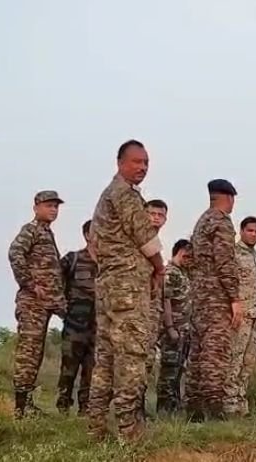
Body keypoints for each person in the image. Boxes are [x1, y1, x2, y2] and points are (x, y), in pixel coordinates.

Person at [88, 139, 164, 441]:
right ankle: (128, 431)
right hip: (128, 289)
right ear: (120, 163)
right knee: (131, 357)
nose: (143, 167)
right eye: (137, 161)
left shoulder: (107, 196)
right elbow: (145, 237)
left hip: (110, 287)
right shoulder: (124, 194)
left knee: (106, 359)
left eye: (146, 163)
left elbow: (94, 244)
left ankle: (96, 427)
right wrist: (159, 267)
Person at [183, 179, 243, 421]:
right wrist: (234, 298)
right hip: (216, 297)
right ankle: (214, 408)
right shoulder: (221, 222)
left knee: (197, 352)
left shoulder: (202, 221)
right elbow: (225, 261)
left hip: (198, 296)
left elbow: (191, 258)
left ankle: (194, 409)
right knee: (215, 351)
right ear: (228, 198)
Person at [8, 190, 67, 419]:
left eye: (56, 206)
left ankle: (28, 404)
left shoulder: (46, 233)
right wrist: (29, 284)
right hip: (33, 303)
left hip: (49, 303)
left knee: (37, 353)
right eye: (49, 205)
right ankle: (20, 409)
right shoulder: (31, 230)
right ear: (36, 207)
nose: (53, 210)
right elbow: (15, 253)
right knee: (28, 354)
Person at [224, 216, 256, 416]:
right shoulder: (233, 254)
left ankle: (241, 403)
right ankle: (228, 403)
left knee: (248, 362)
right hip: (240, 316)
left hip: (255, 317)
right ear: (241, 231)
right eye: (250, 230)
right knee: (235, 359)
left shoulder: (255, 258)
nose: (253, 235)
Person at [56, 219, 98, 416]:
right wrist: (61, 307)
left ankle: (85, 408)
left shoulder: (109, 264)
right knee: (69, 369)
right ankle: (63, 405)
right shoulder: (73, 259)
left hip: (99, 327)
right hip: (74, 325)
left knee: (92, 370)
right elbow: (55, 279)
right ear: (87, 235)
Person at [156, 238, 192, 414]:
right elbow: (166, 301)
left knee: (178, 370)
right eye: (186, 255)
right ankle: (164, 409)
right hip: (173, 330)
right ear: (179, 252)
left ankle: (174, 407)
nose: (189, 259)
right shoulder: (170, 273)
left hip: (184, 330)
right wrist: (170, 328)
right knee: (169, 371)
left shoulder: (184, 273)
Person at [140, 198, 168, 420]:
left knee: (147, 360)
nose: (156, 218)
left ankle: (137, 406)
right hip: (137, 308)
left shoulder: (155, 242)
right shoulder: (139, 239)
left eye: (160, 215)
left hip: (152, 311)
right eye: (152, 213)